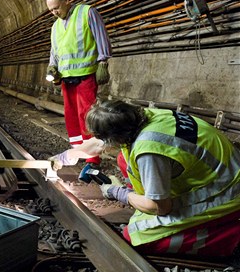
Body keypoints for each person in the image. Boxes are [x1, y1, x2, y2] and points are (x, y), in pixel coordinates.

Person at [51, 100, 240, 256]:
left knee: (136, 237)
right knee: (124, 158)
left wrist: (119, 193)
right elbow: (100, 142)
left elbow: (160, 208)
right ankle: (152, 192)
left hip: (225, 191)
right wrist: (67, 156)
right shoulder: (142, 116)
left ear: (115, 137)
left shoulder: (149, 150)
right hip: (218, 170)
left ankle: (231, 236)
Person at [46, 0, 112, 181]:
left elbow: (101, 36)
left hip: (85, 75)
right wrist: (52, 67)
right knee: (71, 117)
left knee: (87, 116)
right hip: (66, 78)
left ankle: (92, 158)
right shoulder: (55, 27)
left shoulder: (87, 12)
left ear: (67, 0)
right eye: (51, 10)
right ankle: (78, 152)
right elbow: (54, 51)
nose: (55, 13)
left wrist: (103, 62)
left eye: (56, 8)